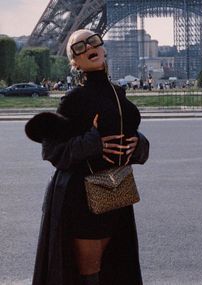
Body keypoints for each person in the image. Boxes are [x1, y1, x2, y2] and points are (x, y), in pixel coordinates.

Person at [26, 29, 149, 285]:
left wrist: (138, 144)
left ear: (103, 48)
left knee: (114, 265)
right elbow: (52, 150)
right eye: (78, 47)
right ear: (75, 62)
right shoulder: (72, 101)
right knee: (89, 271)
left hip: (116, 189)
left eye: (92, 41)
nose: (87, 47)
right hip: (81, 196)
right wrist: (93, 143)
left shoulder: (118, 94)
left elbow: (127, 130)